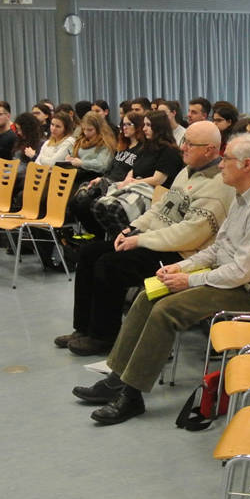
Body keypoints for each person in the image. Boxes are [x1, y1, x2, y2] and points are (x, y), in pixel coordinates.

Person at [71, 133, 250, 425]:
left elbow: (241, 272)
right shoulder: (243, 198)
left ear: (247, 165)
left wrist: (188, 281)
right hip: (230, 279)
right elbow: (217, 249)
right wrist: (183, 267)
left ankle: (132, 394)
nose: (222, 164)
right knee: (147, 295)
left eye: (227, 159)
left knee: (167, 309)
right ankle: (117, 378)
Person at [55, 122, 235, 356]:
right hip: (157, 240)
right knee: (90, 253)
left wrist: (140, 240)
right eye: (185, 141)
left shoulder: (218, 184)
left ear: (210, 150)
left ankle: (104, 336)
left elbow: (189, 236)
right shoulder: (187, 170)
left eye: (190, 144)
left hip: (182, 255)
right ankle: (84, 328)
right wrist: (132, 228)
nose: (183, 148)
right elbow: (159, 209)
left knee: (109, 265)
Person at [65, 113, 118, 185]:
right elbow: (73, 153)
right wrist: (70, 158)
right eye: (84, 129)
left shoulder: (106, 143)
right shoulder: (81, 139)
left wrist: (82, 163)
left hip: (92, 178)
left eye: (90, 130)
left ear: (99, 129)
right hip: (77, 175)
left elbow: (102, 165)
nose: (86, 133)